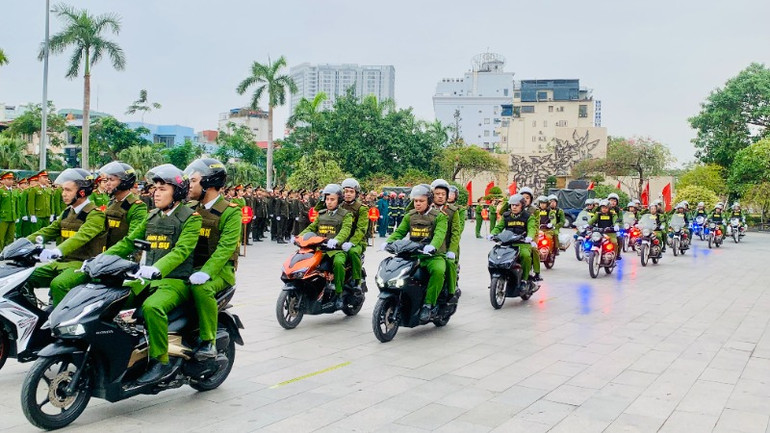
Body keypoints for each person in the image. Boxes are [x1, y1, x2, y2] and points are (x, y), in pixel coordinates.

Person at [104, 164, 202, 384]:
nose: (155, 193)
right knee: (110, 298)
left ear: (176, 192)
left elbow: (182, 250)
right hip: (145, 278)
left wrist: (158, 268)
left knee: (152, 307)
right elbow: (128, 243)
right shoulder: (152, 216)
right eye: (154, 188)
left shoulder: (191, 218)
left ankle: (161, 361)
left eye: (162, 189)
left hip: (174, 280)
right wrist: (100, 260)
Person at [53, 162, 149, 296]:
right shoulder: (111, 203)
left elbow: (133, 238)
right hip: (103, 259)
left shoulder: (136, 207)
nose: (107, 183)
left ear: (125, 182)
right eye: (106, 180)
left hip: (121, 261)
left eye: (112, 180)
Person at [184, 158, 241, 360]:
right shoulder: (190, 209)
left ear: (208, 183)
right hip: (190, 268)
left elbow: (225, 249)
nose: (188, 185)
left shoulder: (230, 211)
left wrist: (206, 272)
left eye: (193, 181)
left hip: (220, 271)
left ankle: (209, 342)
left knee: (202, 288)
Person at [26, 169, 108, 306]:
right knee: (24, 278)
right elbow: (48, 231)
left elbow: (81, 237)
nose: (63, 194)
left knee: (59, 284)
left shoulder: (95, 214)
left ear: (82, 192)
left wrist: (57, 251)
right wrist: (22, 244)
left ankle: (59, 324)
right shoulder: (67, 212)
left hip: (83, 265)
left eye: (68, 190)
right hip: (61, 263)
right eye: (63, 190)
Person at [384, 184, 447, 322]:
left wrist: (432, 246)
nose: (417, 204)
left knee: (438, 271)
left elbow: (439, 234)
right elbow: (400, 232)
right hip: (412, 254)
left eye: (421, 201)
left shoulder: (439, 217)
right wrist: (388, 242)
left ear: (429, 201)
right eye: (415, 201)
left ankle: (428, 304)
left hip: (433, 255)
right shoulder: (410, 216)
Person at [299, 184, 352, 309]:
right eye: (327, 199)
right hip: (320, 249)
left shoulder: (346, 214)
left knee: (338, 263)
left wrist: (337, 240)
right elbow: (311, 227)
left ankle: (339, 294)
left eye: (332, 199)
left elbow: (346, 230)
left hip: (337, 250)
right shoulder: (322, 214)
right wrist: (298, 236)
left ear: (339, 200)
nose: (329, 202)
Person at [490, 194, 537, 287]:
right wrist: (492, 234)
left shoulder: (528, 216)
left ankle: (524, 279)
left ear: (522, 206)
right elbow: (499, 227)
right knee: (492, 254)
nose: (514, 207)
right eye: (512, 205)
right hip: (507, 243)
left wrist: (529, 237)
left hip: (522, 243)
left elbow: (532, 228)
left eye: (517, 205)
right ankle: (494, 278)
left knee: (525, 256)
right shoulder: (506, 216)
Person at [431, 179, 461, 300]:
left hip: (447, 246)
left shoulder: (452, 211)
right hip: (427, 246)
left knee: (449, 264)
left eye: (443, 194)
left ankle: (451, 292)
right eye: (437, 194)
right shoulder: (425, 208)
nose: (440, 197)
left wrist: (452, 250)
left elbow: (455, 233)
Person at [340, 178, 369, 294]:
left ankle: (358, 281)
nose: (347, 194)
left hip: (357, 241)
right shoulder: (338, 205)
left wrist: (352, 242)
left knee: (353, 252)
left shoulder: (362, 208)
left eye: (351, 192)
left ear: (356, 193)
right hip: (340, 240)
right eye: (346, 191)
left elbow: (361, 229)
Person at [0, 171, 18, 251]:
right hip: (3, 217)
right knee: (1, 237)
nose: (11, 181)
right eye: (8, 179)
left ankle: (8, 252)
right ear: (2, 180)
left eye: (12, 179)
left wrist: (17, 215)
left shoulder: (13, 191)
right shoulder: (1, 191)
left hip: (12, 217)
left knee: (10, 237)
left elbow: (16, 205)